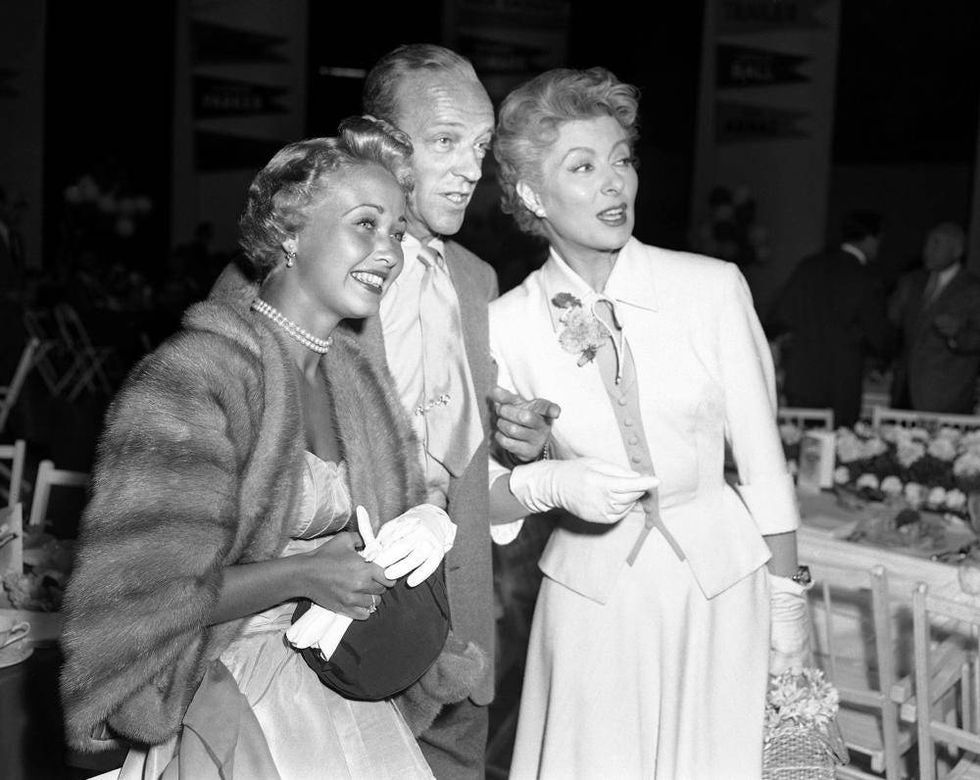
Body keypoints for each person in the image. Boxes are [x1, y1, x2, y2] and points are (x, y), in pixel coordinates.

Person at [59, 118, 475, 779]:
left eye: (397, 231)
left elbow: (394, 517)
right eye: (365, 224)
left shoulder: (358, 381)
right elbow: (140, 596)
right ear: (287, 233)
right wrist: (303, 575)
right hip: (219, 691)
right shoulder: (196, 378)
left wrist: (424, 520)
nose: (389, 253)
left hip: (340, 681)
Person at [487, 66, 811, 778]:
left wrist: (788, 606)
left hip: (721, 593)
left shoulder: (711, 288)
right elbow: (479, 502)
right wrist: (547, 479)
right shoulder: (504, 326)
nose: (615, 183)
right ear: (532, 195)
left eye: (622, 159)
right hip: (592, 605)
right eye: (584, 165)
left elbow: (763, 464)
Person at [355, 43, 557, 778]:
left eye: (479, 146)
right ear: (376, 144)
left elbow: (467, 460)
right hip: (342, 638)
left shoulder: (477, 279)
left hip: (460, 643)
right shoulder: (304, 269)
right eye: (445, 142)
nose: (472, 168)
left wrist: (517, 444)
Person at [767, 209, 896, 427]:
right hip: (840, 383)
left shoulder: (809, 266)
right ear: (870, 238)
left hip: (801, 375)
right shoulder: (864, 277)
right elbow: (879, 337)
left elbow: (780, 317)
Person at [888, 220, 980, 413]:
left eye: (936, 244)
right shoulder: (911, 282)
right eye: (927, 244)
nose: (928, 250)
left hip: (947, 394)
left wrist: (957, 335)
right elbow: (890, 325)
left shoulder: (973, 289)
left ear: (957, 251)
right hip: (904, 391)